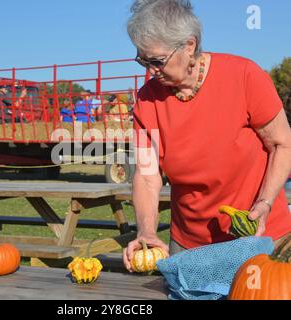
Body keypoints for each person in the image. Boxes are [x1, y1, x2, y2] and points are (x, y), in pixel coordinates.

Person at [123, 0, 291, 272]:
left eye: (157, 60)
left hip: (261, 236)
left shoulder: (245, 76)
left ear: (189, 45)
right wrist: (147, 232)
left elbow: (282, 144)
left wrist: (266, 202)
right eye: (143, 60)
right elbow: (146, 174)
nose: (150, 70)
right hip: (191, 244)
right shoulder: (147, 99)